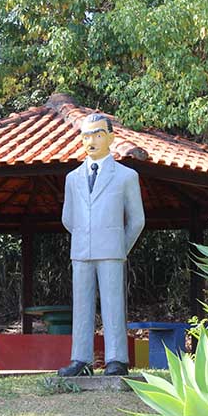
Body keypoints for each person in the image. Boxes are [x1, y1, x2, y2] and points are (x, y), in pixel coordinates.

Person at [58, 112, 145, 377]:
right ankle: (80, 360)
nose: (91, 140)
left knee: (113, 304)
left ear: (111, 137)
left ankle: (117, 359)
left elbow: (137, 220)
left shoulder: (126, 176)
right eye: (86, 135)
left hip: (112, 251)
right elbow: (68, 218)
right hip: (82, 251)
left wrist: (119, 247)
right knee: (81, 306)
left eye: (98, 134)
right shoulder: (72, 178)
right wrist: (87, 236)